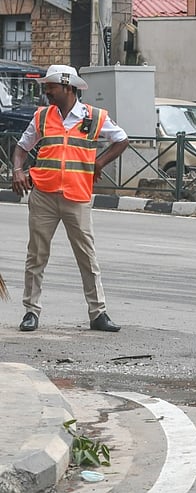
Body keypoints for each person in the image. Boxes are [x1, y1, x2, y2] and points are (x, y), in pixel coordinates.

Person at [10, 64, 129, 332]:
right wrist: (18, 170)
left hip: (77, 196)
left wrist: (100, 162)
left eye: (51, 87)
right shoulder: (42, 117)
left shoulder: (94, 117)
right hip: (44, 195)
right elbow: (21, 147)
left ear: (67, 87)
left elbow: (122, 139)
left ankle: (98, 313)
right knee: (36, 256)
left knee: (87, 256)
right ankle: (31, 311)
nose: (47, 91)